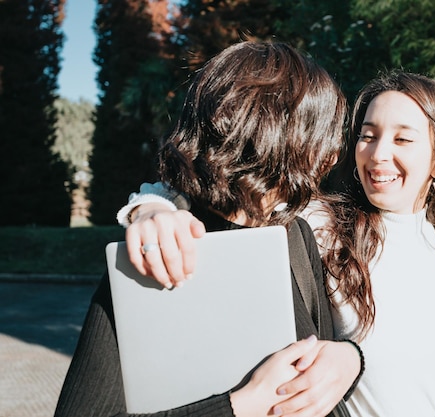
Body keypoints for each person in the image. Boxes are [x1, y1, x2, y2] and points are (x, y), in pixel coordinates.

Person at [117, 71, 435, 416]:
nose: (378, 154)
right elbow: (222, 191)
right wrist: (154, 209)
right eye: (368, 135)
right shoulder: (321, 222)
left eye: (402, 140)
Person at [54, 41, 364, 417]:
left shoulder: (295, 235)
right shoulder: (160, 248)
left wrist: (349, 359)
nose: (331, 158)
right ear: (275, 134)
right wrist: (240, 405)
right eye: (321, 136)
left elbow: (319, 361)